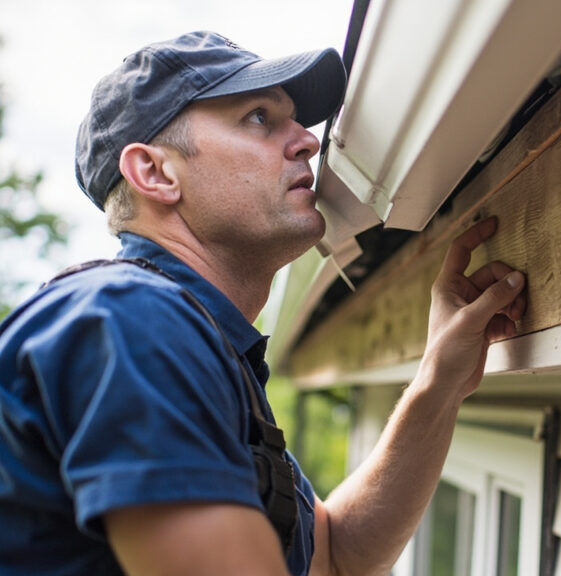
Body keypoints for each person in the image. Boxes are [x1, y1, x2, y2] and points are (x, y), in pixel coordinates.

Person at [0, 31, 527, 576]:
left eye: (295, 119)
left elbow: (337, 556)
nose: (307, 141)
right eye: (258, 118)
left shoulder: (207, 351)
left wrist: (439, 381)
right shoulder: (131, 322)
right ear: (156, 174)